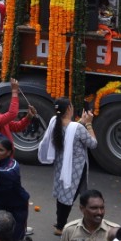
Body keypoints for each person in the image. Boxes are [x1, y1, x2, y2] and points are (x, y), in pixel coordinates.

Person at [37, 98, 96, 233]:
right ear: (69, 109)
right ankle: (62, 226)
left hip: (60, 164)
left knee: (63, 194)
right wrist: (88, 124)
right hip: (76, 167)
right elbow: (93, 143)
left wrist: (81, 122)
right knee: (71, 196)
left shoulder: (54, 121)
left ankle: (60, 223)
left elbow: (71, 129)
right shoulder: (78, 128)